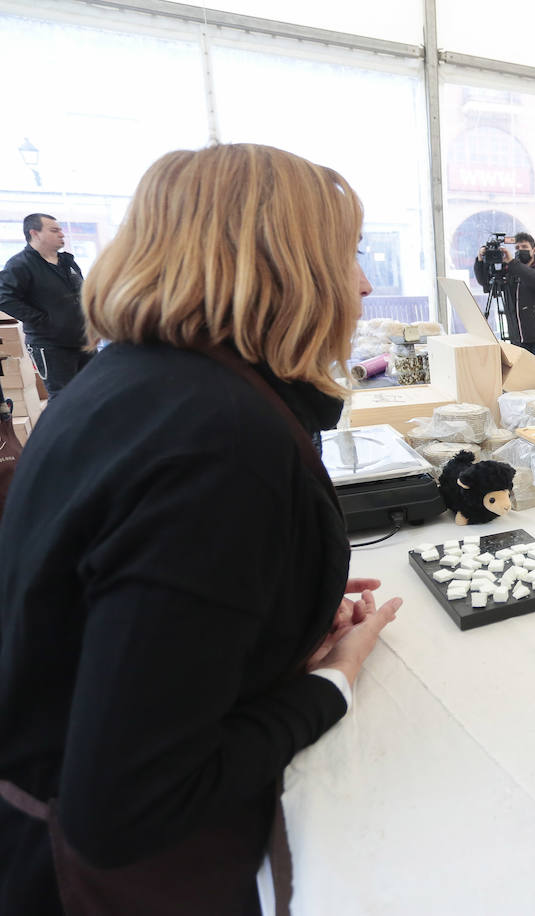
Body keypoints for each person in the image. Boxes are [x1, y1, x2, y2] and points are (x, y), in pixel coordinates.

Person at [0, 143, 402, 914]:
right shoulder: (217, 440)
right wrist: (331, 683)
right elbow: (127, 805)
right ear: (279, 267)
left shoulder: (134, 383)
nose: (363, 283)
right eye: (345, 254)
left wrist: (274, 610)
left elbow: (109, 608)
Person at [0, 213, 89, 398]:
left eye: (61, 230)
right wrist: (43, 320)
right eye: (54, 230)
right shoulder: (20, 265)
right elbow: (4, 297)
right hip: (51, 346)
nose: (62, 234)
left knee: (94, 394)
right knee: (64, 400)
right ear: (35, 233)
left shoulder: (67, 262)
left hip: (82, 341)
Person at [473, 231, 535, 364]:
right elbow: (486, 282)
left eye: (524, 247)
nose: (520, 251)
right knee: (523, 381)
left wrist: (513, 263)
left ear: (534, 250)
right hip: (519, 337)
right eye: (517, 248)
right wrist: (480, 261)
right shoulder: (511, 272)